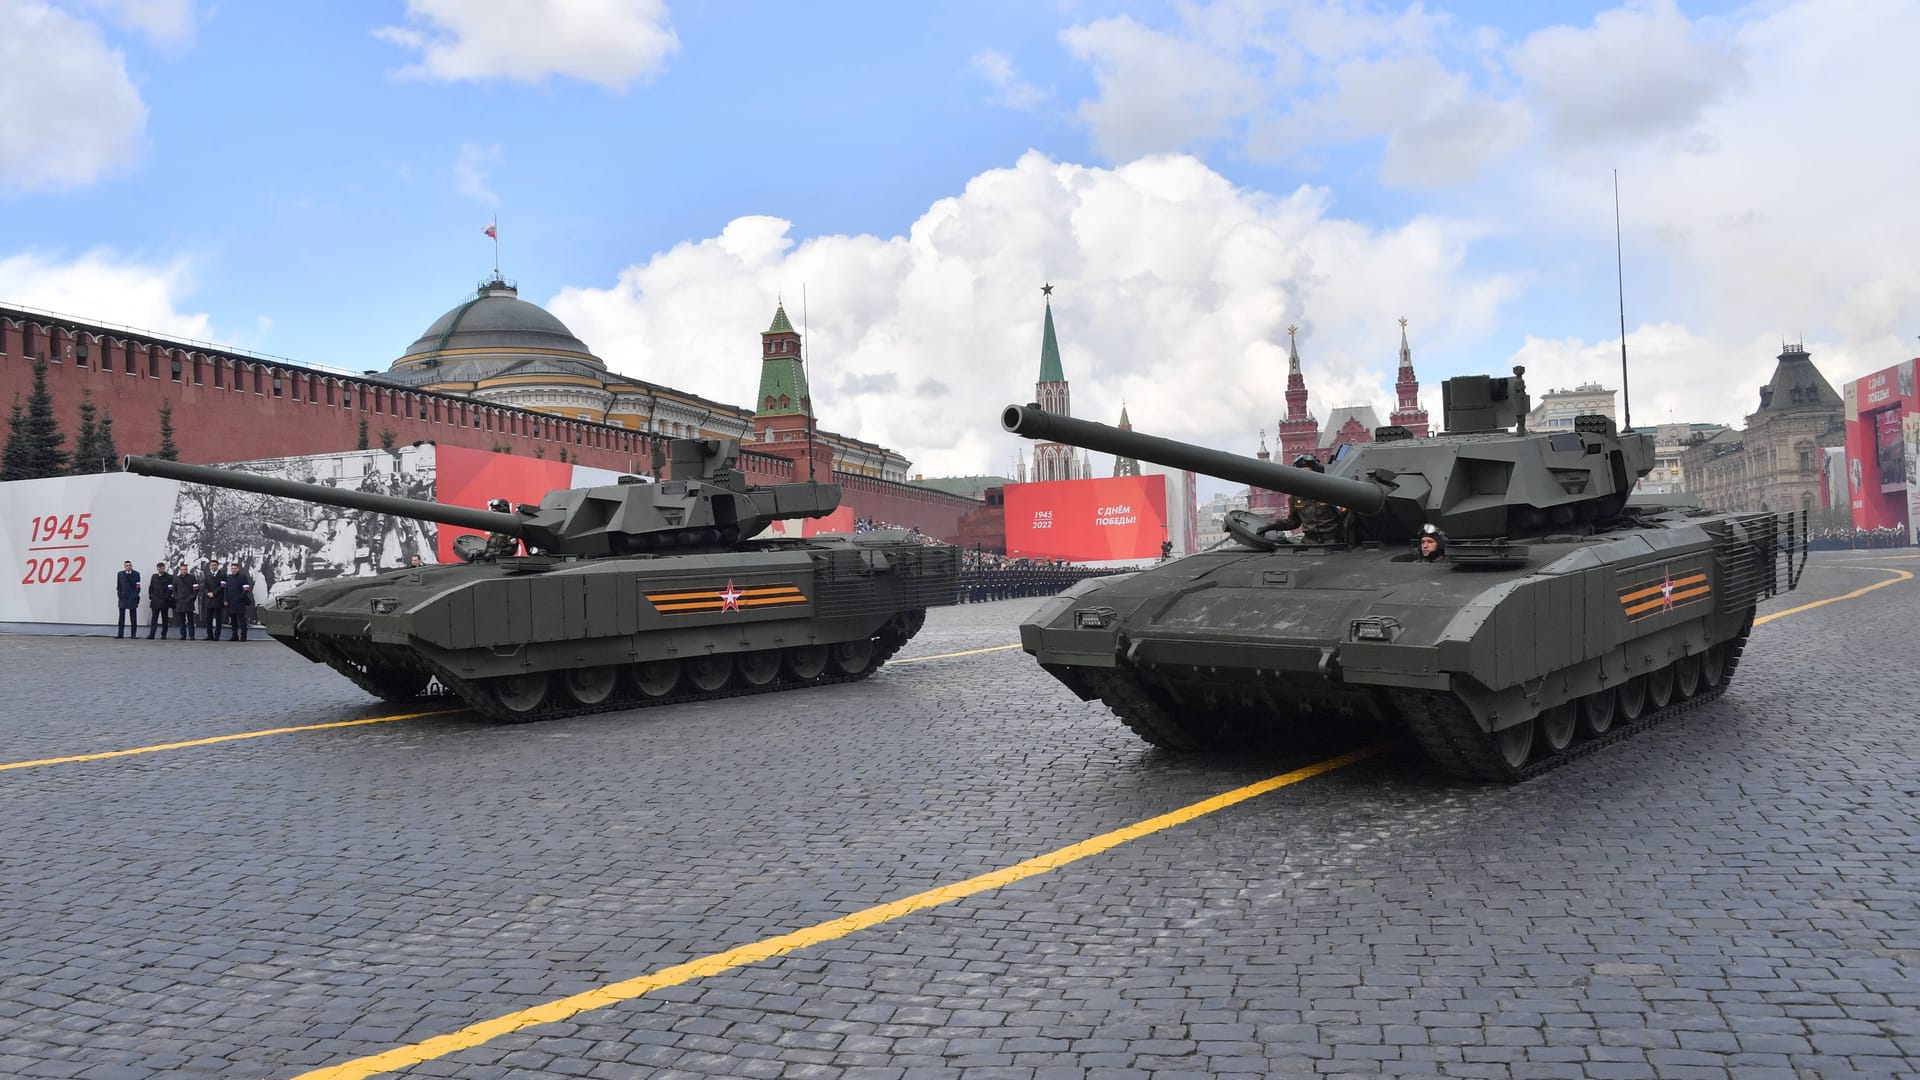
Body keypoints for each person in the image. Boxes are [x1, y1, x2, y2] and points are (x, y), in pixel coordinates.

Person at [1257, 453, 1352, 546]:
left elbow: (1346, 516)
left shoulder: (1332, 492)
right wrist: (1271, 526)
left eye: (1308, 474)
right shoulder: (1296, 497)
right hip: (1308, 543)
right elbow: (1293, 522)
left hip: (1333, 542)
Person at [223, 562, 253, 641]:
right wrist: (225, 600)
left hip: (240, 603)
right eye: (232, 569)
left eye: (235, 568)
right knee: (233, 621)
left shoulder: (243, 577)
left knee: (242, 621)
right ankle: (234, 636)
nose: (234, 570)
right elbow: (225, 590)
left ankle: (243, 637)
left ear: (238, 569)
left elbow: (246, 590)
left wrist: (238, 599)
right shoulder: (228, 578)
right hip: (231, 603)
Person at [146, 561, 174, 639]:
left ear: (164, 568)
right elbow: (151, 587)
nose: (160, 570)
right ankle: (152, 634)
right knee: (154, 618)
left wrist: (166, 597)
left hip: (164, 601)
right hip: (155, 601)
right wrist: (151, 596)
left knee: (164, 618)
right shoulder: (154, 576)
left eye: (161, 569)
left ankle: (163, 635)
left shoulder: (169, 577)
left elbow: (170, 589)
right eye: (158, 569)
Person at [115, 561, 141, 639]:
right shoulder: (120, 574)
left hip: (132, 598)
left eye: (129, 565)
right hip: (123, 598)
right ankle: (120, 634)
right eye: (126, 565)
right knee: (121, 617)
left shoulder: (136, 574)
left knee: (133, 617)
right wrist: (120, 595)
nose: (128, 566)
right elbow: (118, 586)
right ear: (124, 566)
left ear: (131, 566)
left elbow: (138, 585)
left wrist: (135, 595)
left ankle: (133, 634)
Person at [174, 562, 200, 639]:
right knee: (182, 620)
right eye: (182, 569)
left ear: (187, 570)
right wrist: (176, 598)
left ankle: (192, 636)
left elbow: (196, 589)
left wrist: (191, 598)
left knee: (191, 620)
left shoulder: (192, 578)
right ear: (180, 570)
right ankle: (183, 635)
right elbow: (174, 590)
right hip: (180, 602)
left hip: (189, 602)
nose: (184, 571)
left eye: (185, 569)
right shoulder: (176, 578)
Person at [202, 559, 226, 644]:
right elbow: (204, 586)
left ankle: (217, 636)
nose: (213, 566)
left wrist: (214, 593)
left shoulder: (222, 575)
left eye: (215, 565)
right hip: (208, 600)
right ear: (210, 566)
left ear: (217, 566)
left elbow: (222, 587)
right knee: (208, 619)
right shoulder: (207, 575)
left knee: (218, 619)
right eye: (212, 565)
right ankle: (209, 635)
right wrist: (207, 593)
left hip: (217, 600)